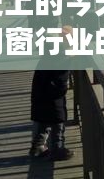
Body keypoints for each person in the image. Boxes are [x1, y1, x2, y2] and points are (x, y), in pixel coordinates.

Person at [29, 25, 74, 161]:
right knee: (57, 121)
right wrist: (62, 89)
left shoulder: (49, 53)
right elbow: (61, 81)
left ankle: (37, 147)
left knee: (43, 120)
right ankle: (57, 148)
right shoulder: (62, 57)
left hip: (40, 93)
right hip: (53, 95)